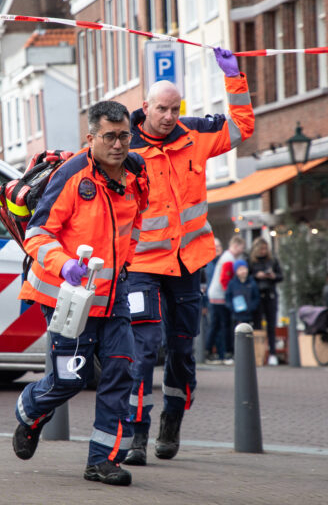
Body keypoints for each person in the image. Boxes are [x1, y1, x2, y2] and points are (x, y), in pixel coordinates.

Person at [123, 47, 254, 466]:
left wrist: (233, 78)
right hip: (142, 265)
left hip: (187, 263)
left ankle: (172, 419)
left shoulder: (193, 134)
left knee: (181, 350)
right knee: (143, 349)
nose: (168, 115)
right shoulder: (122, 145)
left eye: (174, 108)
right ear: (145, 107)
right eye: (161, 108)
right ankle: (136, 435)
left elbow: (241, 126)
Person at [11, 100, 149, 486]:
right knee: (70, 379)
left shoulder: (138, 174)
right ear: (91, 138)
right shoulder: (73, 176)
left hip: (113, 295)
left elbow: (135, 225)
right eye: (110, 136)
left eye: (125, 136)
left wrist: (125, 265)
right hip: (65, 297)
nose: (119, 144)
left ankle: (102, 460)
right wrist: (65, 265)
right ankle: (30, 412)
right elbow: (37, 235)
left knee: (123, 371)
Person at [205, 235, 246, 365]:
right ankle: (227, 353)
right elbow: (225, 280)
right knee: (224, 325)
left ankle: (209, 351)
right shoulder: (229, 259)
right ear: (236, 246)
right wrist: (230, 296)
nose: (242, 250)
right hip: (220, 297)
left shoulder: (226, 258)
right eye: (241, 248)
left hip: (215, 295)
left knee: (215, 325)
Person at [248, 237, 283, 366]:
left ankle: (272, 353)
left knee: (271, 325)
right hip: (257, 295)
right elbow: (246, 276)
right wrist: (256, 276)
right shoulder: (250, 261)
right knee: (257, 325)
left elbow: (281, 276)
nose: (263, 251)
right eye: (261, 248)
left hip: (270, 294)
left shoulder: (272, 261)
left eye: (265, 248)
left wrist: (273, 276)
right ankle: (258, 353)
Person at [225, 260, 260, 328]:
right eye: (240, 269)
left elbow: (256, 297)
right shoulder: (232, 283)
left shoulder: (252, 283)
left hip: (249, 316)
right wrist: (233, 308)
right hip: (236, 316)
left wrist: (250, 308)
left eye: (244, 268)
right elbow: (228, 297)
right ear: (236, 271)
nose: (243, 271)